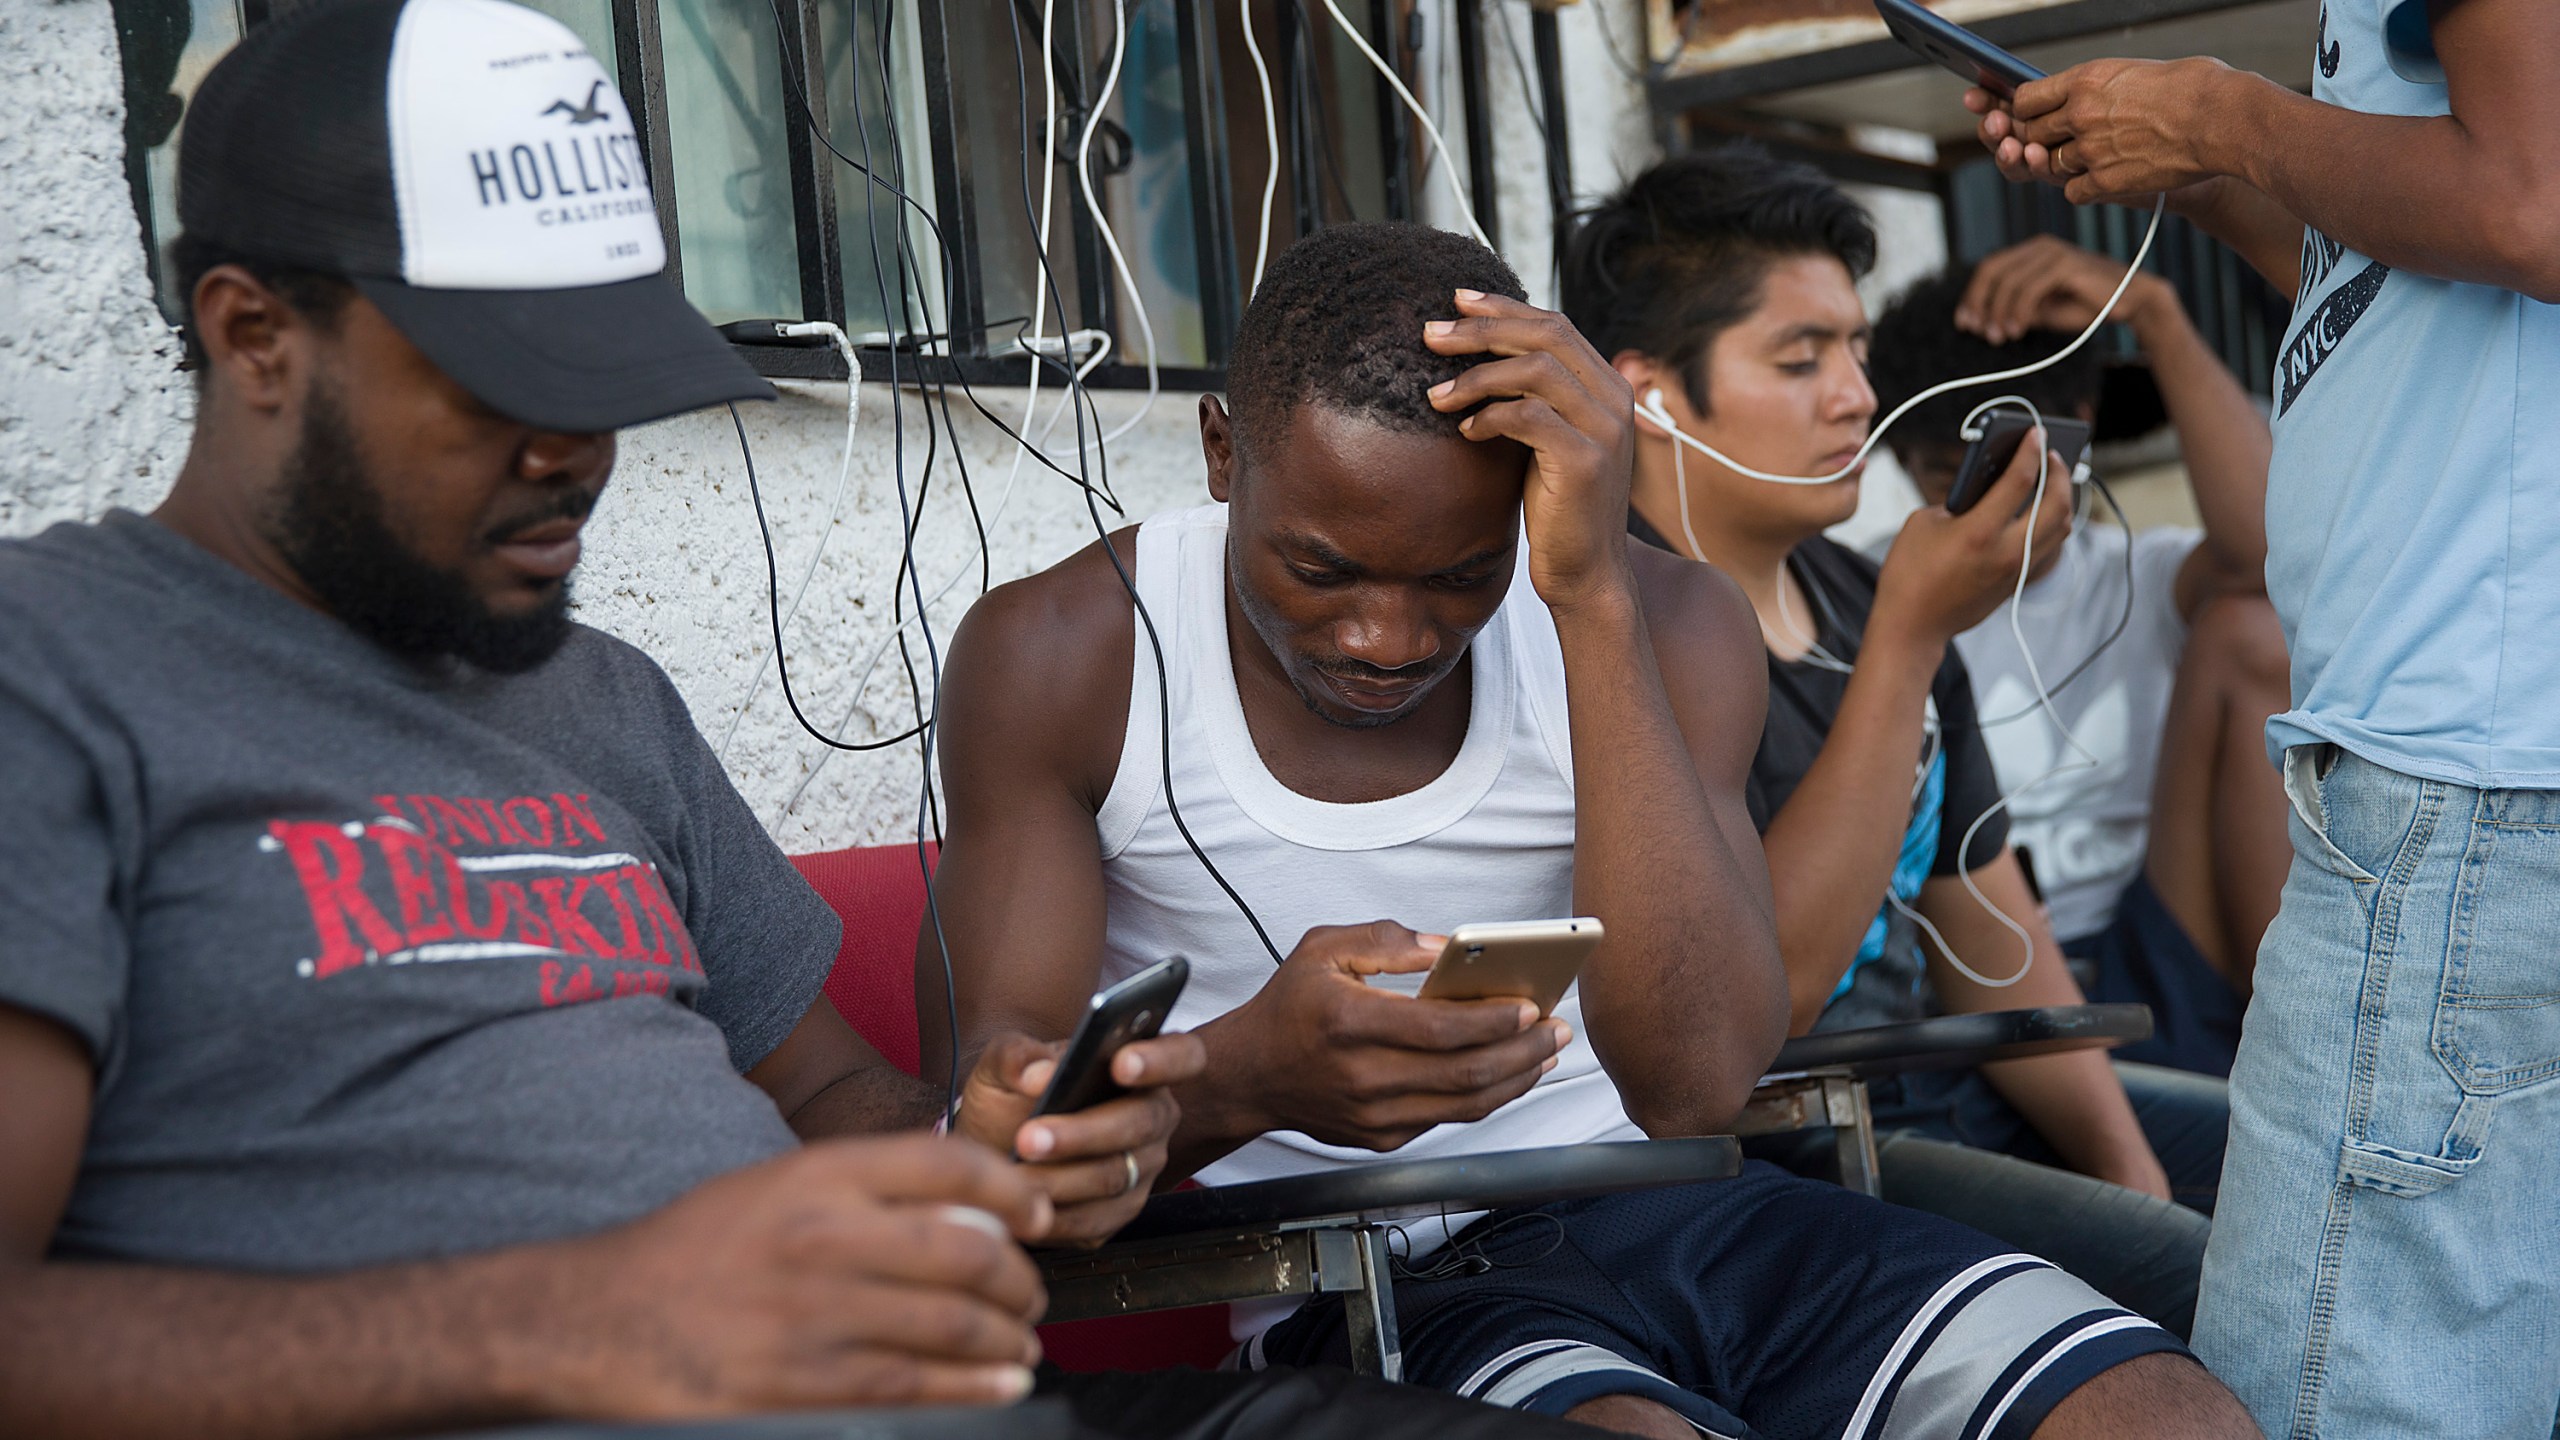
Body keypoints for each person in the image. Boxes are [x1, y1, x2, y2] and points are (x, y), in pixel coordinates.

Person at [0, 6, 1599, 1438]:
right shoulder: (57, 677)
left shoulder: (594, 696)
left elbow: (847, 1113)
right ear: (252, 333)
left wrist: (1115, 1113)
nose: (577, 457)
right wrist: (594, 1318)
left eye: (606, 384)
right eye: (503, 387)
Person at [925, 218, 2258, 1438]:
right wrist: (1251, 1074)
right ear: (1222, 452)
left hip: (1709, 1216)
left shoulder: (1666, 620)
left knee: (2167, 1412)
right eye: (1320, 569)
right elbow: (1000, 1141)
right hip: (1391, 1283)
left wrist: (1587, 595)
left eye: (1458, 575)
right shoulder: (1066, 656)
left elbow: (1697, 1083)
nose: (1386, 639)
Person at [1964, 1, 2560, 1431]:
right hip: (2470, 776)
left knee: (2330, 1398)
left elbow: (2531, 209)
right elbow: (2420, 284)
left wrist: (2227, 116)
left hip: (2452, 783)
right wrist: (2205, 171)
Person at [1558, 147, 2228, 1330]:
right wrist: (1910, 641)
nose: (1858, 397)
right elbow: (1773, 999)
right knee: (2205, 1278)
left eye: (1855, 350)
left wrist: (2128, 1162)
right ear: (1651, 392)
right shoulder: (1615, 625)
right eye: (1800, 358)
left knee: (2314, 1171)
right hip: (1791, 1148)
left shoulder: (1867, 594)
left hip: (1944, 1089)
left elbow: (1994, 932)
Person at [1867, 236, 2291, 1079]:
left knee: (2249, 629)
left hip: (2154, 937)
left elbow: (2271, 556)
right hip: (1971, 963)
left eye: (2005, 470)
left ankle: (2306, 1058)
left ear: (2076, 432)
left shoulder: (2139, 571)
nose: (1984, 506)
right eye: (1947, 476)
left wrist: (2156, 317)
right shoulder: (1871, 586)